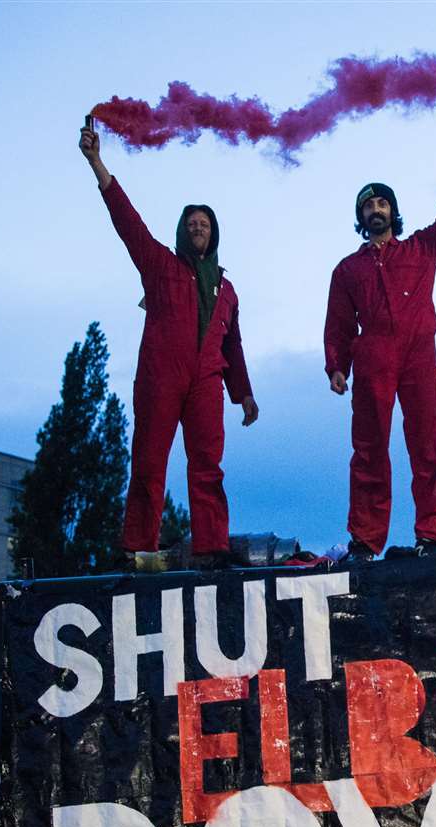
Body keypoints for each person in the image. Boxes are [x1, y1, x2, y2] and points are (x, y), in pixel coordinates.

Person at [80, 119, 258, 571]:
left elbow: (232, 345)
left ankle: (211, 546)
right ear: (182, 231)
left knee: (208, 465)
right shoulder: (160, 265)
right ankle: (137, 546)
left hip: (206, 382)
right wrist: (97, 162)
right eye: (191, 223)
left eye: (205, 224)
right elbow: (128, 222)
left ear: (213, 234)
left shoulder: (227, 288)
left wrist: (244, 393)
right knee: (149, 459)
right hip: (162, 376)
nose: (198, 228)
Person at [324, 111, 436, 562]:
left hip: (419, 357)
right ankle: (366, 542)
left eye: (382, 204)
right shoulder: (347, 269)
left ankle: (432, 536)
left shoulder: (422, 248)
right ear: (360, 217)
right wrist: (337, 365)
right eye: (368, 206)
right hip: (373, 356)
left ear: (393, 211)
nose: (376, 210)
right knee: (369, 448)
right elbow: (338, 324)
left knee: (427, 444)